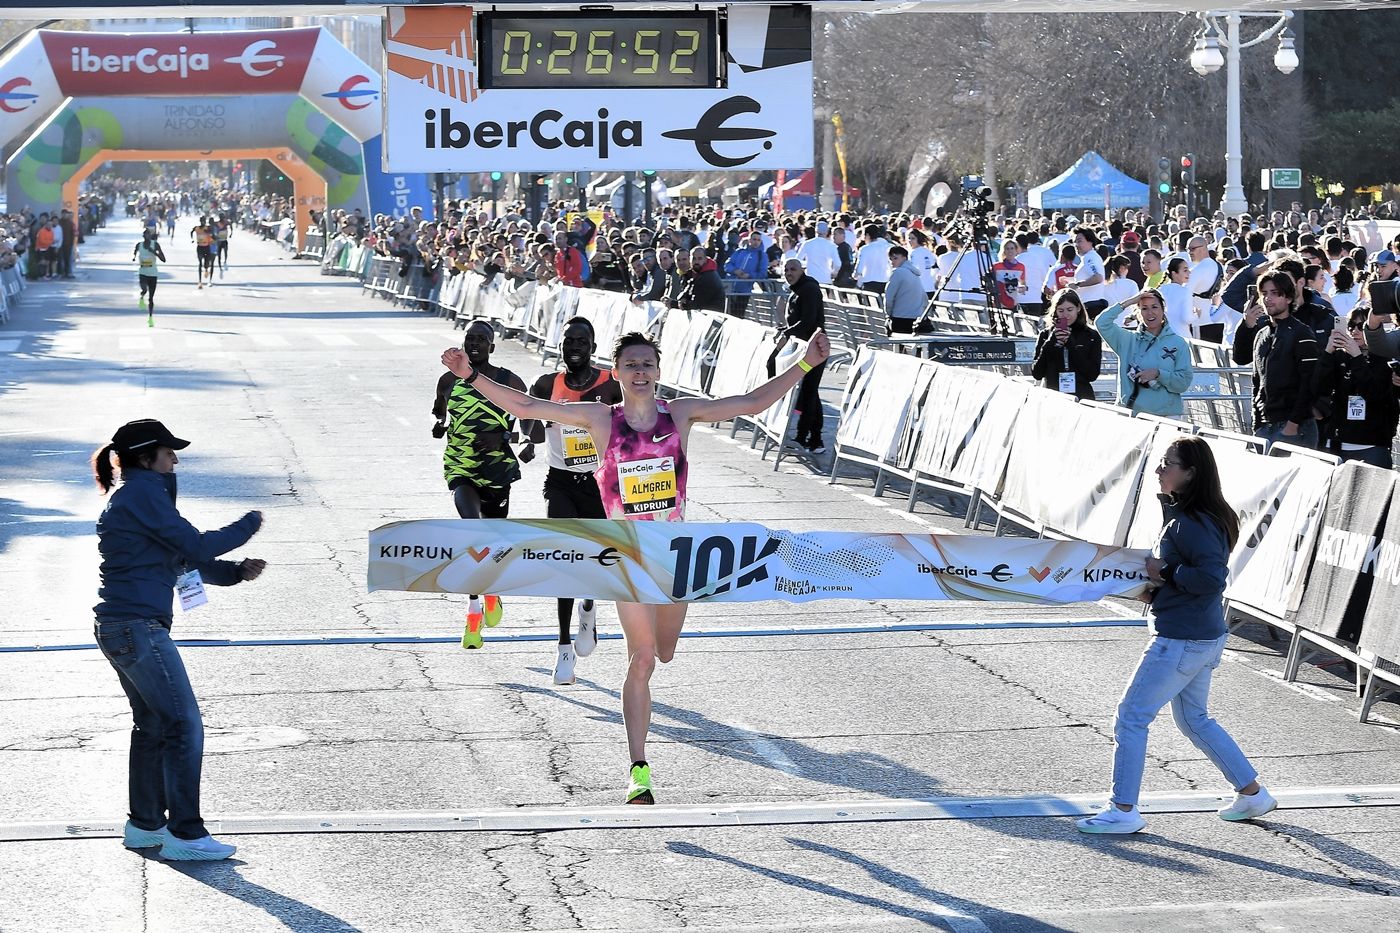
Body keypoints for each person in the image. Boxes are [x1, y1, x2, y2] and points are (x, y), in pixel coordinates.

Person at [441, 328, 832, 805]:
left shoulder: (681, 414)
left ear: (659, 371)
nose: (640, 372)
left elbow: (751, 402)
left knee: (665, 651)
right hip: (626, 557)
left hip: (676, 558)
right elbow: (526, 407)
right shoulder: (600, 419)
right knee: (642, 658)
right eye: (631, 365)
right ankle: (638, 769)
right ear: (617, 373)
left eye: (647, 364)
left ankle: (639, 689)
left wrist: (806, 365)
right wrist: (472, 375)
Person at [1076, 436, 1275, 835]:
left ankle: (1123, 809)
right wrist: (1162, 585)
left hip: (1182, 640)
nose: (1159, 470)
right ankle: (1252, 792)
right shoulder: (1196, 515)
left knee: (1131, 717)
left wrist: (1165, 575)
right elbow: (1193, 575)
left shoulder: (1191, 521)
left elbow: (1211, 579)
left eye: (1168, 464)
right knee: (1195, 720)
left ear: (1190, 473)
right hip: (1201, 636)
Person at [92, 419, 266, 860]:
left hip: (124, 627)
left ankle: (146, 825)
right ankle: (186, 834)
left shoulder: (141, 496)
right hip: (137, 628)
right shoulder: (141, 494)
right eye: (169, 452)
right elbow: (198, 544)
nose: (175, 459)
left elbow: (181, 557)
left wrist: (233, 574)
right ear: (147, 457)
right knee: (184, 725)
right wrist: (248, 523)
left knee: (151, 726)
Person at [524, 318, 621, 684]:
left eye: (582, 340)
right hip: (561, 481)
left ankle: (590, 607)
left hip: (599, 484)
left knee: (595, 560)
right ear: (560, 345)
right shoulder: (547, 384)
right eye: (569, 341)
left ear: (593, 346)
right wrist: (544, 421)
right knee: (563, 559)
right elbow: (529, 429)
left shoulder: (610, 385)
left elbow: (630, 424)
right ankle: (564, 647)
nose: (575, 346)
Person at [432, 320, 533, 647]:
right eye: (470, 338)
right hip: (461, 465)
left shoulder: (508, 381)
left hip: (497, 469)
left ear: (492, 345)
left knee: (492, 540)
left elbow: (528, 420)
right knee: (473, 532)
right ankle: (473, 612)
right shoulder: (448, 380)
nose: (475, 344)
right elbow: (439, 415)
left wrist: (514, 438)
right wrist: (439, 426)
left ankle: (491, 593)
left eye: (482, 339)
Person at [1232, 271, 1320, 449]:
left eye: (1275, 293)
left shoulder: (1302, 333)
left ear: (1288, 298)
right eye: (1264, 293)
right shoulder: (1261, 333)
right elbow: (1247, 368)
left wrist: (1293, 424)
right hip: (1265, 427)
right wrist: (1246, 324)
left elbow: (1310, 383)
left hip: (1295, 428)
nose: (1268, 299)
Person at [1315, 308, 1400, 469]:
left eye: (1361, 327)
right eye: (1351, 326)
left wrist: (1357, 357)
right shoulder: (1340, 356)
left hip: (1371, 446)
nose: (1355, 331)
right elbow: (1318, 387)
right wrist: (1328, 351)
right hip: (1336, 444)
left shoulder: (1385, 359)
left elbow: (1375, 394)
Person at [1093, 289, 1193, 417]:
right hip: (1131, 415)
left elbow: (1183, 383)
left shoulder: (1178, 343)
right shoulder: (1127, 340)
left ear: (1163, 310)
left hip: (1167, 416)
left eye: (1155, 307)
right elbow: (1101, 323)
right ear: (1138, 313)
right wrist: (1129, 302)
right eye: (1144, 308)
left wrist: (1158, 374)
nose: (1150, 312)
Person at [779, 257, 829, 452]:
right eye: (786, 270)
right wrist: (786, 329)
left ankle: (805, 437)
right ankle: (814, 439)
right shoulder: (797, 290)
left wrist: (787, 333)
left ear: (802, 271)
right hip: (804, 347)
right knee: (810, 392)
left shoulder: (809, 289)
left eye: (793, 269)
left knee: (809, 392)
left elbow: (808, 322)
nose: (789, 273)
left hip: (815, 348)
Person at [1030, 288, 1102, 401]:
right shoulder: (1045, 335)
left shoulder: (1091, 335)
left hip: (1081, 396)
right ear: (1055, 311)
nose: (1066, 315)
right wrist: (1050, 343)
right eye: (1061, 311)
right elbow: (1037, 373)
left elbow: (1092, 374)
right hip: (1053, 397)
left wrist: (1072, 346)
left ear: (1078, 308)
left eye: (1069, 310)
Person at [883, 245, 927, 335]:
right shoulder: (915, 273)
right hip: (917, 318)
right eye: (890, 259)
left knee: (898, 346)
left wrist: (888, 314)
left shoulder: (897, 272)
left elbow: (889, 297)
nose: (892, 262)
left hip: (900, 318)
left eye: (895, 258)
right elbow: (924, 297)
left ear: (904, 258)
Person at [132, 228, 166, 327]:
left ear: (151, 236)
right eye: (145, 235)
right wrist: (134, 257)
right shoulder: (139, 245)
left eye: (148, 235)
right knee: (144, 288)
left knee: (151, 298)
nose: (147, 237)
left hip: (153, 273)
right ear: (143, 236)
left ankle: (150, 318)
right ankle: (142, 296)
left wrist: (154, 252)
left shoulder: (155, 245)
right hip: (143, 272)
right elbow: (135, 250)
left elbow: (164, 259)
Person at [190, 217, 214, 289]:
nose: (203, 222)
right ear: (200, 221)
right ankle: (200, 281)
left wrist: (208, 233)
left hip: (206, 247)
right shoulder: (196, 228)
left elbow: (212, 233)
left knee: (206, 264)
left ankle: (206, 269)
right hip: (200, 247)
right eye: (202, 221)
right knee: (200, 263)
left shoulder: (207, 228)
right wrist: (192, 239)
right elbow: (191, 231)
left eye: (204, 221)